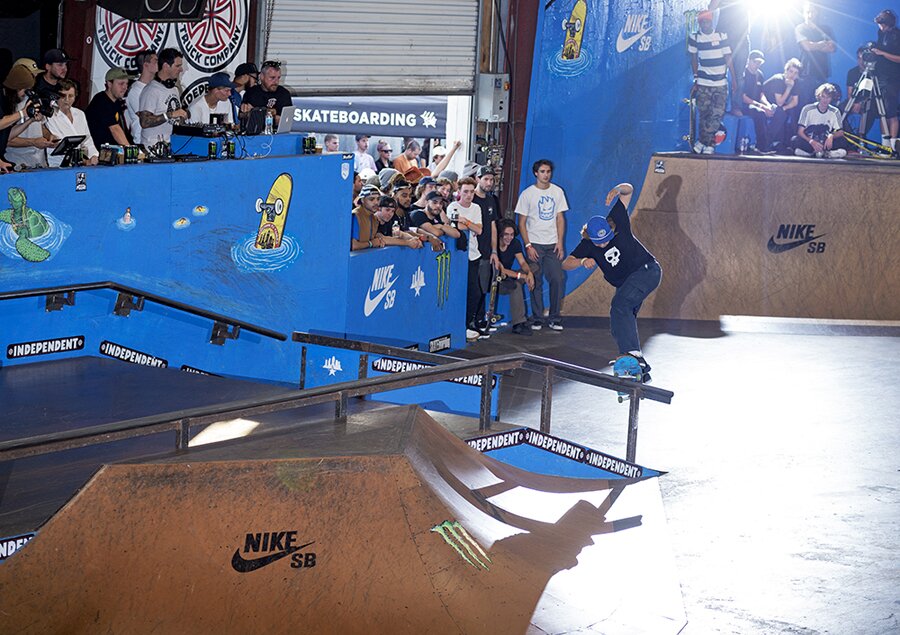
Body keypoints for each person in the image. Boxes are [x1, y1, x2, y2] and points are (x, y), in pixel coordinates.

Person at [562, 182, 661, 381]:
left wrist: (617, 189)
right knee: (618, 322)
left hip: (646, 271)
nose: (604, 244)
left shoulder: (617, 220)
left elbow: (628, 190)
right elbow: (566, 263)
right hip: (626, 283)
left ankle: (633, 356)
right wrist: (582, 261)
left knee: (620, 305)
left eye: (607, 239)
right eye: (599, 242)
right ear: (591, 238)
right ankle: (638, 369)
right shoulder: (587, 244)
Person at [515, 159, 567, 331]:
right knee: (535, 281)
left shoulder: (557, 191)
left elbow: (560, 218)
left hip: (552, 244)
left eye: (548, 171)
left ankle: (554, 318)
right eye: (543, 171)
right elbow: (521, 223)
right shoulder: (527, 194)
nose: (546, 175)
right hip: (535, 243)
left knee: (557, 279)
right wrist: (528, 245)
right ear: (536, 173)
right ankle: (537, 318)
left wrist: (560, 242)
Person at [688, 10, 737, 154]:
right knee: (704, 115)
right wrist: (696, 78)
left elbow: (728, 58)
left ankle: (702, 141)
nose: (705, 24)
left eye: (707, 21)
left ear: (711, 22)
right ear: (699, 23)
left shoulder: (721, 36)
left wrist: (734, 79)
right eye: (702, 22)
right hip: (703, 83)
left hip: (720, 83)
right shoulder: (694, 37)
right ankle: (709, 145)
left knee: (717, 114)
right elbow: (693, 59)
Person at [447, 177, 487, 340]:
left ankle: (469, 322)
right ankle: (460, 324)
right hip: (458, 255)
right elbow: (454, 227)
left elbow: (479, 230)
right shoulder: (452, 207)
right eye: (465, 192)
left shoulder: (476, 208)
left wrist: (466, 221)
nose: (469, 195)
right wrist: (467, 225)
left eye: (471, 192)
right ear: (459, 192)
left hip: (474, 255)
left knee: (475, 292)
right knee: (459, 291)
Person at [0, 64, 51, 172]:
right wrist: (22, 113)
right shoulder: (2, 99)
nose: (27, 93)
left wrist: (30, 119)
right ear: (17, 87)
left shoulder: (10, 102)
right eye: (25, 89)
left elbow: (8, 135)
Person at [138, 47, 188, 146]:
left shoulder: (174, 89)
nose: (181, 69)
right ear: (165, 66)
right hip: (152, 147)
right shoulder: (151, 90)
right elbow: (144, 122)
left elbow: (175, 118)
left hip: (171, 144)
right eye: (177, 66)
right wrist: (170, 114)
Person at [708, 0, 750, 115]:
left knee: (739, 76)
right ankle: (717, 105)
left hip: (741, 39)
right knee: (718, 72)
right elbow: (711, 7)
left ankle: (736, 106)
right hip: (723, 37)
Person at [45, 79, 99, 167]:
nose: (67, 100)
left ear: (75, 97)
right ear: (56, 96)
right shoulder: (50, 115)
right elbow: (59, 144)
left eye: (70, 96)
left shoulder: (80, 114)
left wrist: (94, 156)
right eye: (63, 96)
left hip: (80, 164)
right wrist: (85, 161)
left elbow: (88, 140)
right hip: (57, 165)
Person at [472, 165, 502, 326]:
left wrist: (494, 251)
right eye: (486, 179)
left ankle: (479, 320)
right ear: (478, 179)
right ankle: (471, 321)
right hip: (471, 251)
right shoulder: (471, 198)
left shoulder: (491, 200)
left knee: (483, 288)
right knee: (473, 289)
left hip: (486, 251)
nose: (489, 183)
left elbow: (493, 226)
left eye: (492, 180)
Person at [496, 219, 535, 336]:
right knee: (516, 286)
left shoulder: (515, 243)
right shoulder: (493, 245)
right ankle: (518, 323)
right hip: (495, 277)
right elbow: (501, 269)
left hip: (509, 275)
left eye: (512, 234)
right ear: (500, 234)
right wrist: (522, 276)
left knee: (535, 267)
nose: (509, 238)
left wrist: (529, 273)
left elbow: (522, 262)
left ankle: (526, 279)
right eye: (506, 234)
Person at [795, 2, 836, 107]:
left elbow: (831, 48)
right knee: (804, 104)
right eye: (807, 12)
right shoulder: (800, 28)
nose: (810, 15)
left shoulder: (825, 29)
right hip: (806, 73)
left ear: (817, 13)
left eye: (812, 12)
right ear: (803, 13)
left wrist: (813, 45)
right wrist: (822, 44)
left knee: (821, 104)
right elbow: (806, 47)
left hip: (822, 72)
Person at [792, 83, 848, 158]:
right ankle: (813, 153)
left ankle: (826, 153)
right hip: (810, 140)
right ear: (819, 96)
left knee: (842, 141)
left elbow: (840, 132)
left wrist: (831, 136)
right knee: (794, 140)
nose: (825, 100)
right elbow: (800, 132)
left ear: (832, 98)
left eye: (828, 97)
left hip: (825, 141)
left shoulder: (835, 111)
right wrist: (811, 141)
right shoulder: (807, 109)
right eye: (823, 97)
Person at [871, 9, 900, 148]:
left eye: (883, 24)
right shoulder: (881, 33)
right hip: (880, 76)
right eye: (879, 24)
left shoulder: (897, 35)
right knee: (882, 113)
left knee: (891, 112)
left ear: (889, 24)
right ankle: (885, 146)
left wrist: (882, 53)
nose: (881, 27)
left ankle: (893, 147)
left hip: (893, 78)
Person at [739, 50, 777, 152]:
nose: (757, 65)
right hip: (744, 105)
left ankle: (771, 142)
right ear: (749, 60)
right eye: (755, 62)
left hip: (757, 104)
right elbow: (743, 97)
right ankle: (761, 146)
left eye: (759, 63)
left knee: (777, 112)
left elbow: (761, 94)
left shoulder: (760, 74)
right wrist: (761, 107)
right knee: (760, 113)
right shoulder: (743, 74)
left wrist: (768, 105)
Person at [86, 67, 133, 148]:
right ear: (109, 84)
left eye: (126, 84)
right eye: (121, 84)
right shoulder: (101, 101)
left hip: (111, 150)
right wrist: (130, 150)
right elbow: (115, 129)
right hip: (99, 152)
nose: (125, 87)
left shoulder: (116, 102)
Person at [763, 58, 802, 152]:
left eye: (795, 73)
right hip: (764, 101)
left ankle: (786, 143)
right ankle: (765, 143)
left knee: (789, 111)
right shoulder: (778, 80)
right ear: (786, 70)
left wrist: (785, 108)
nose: (792, 75)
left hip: (777, 104)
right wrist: (789, 88)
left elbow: (795, 102)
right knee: (781, 114)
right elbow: (779, 102)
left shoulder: (795, 82)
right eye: (791, 71)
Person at [240, 60, 292, 128]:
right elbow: (242, 116)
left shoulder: (283, 93)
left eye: (278, 78)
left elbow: (284, 120)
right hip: (255, 132)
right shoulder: (251, 93)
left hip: (276, 132)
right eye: (272, 78)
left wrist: (256, 112)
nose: (276, 82)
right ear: (262, 76)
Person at [125, 49, 157, 145]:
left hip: (156, 141)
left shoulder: (156, 87)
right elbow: (146, 118)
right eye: (155, 61)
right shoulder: (135, 91)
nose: (159, 63)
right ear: (146, 65)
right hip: (142, 142)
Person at [845, 46, 877, 137]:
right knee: (839, 110)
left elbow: (874, 94)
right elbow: (849, 92)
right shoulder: (852, 72)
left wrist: (861, 103)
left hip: (869, 103)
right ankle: (845, 135)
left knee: (870, 111)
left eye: (863, 58)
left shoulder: (874, 73)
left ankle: (861, 137)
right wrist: (853, 104)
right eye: (858, 58)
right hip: (854, 101)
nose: (861, 61)